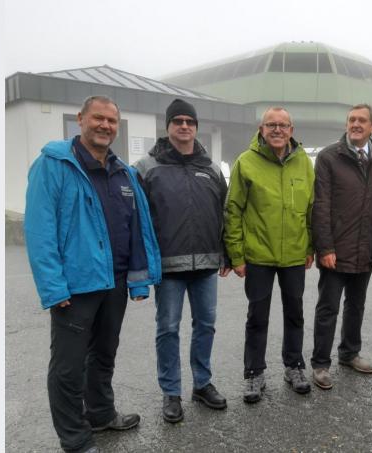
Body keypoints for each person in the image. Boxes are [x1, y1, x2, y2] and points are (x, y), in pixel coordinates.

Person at [24, 95, 161, 453]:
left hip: (115, 282)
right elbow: (39, 231)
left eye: (111, 121)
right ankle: (75, 439)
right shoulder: (54, 165)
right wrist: (53, 287)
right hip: (75, 286)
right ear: (80, 119)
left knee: (103, 355)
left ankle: (100, 414)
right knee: (68, 368)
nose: (105, 126)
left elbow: (137, 229)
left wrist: (139, 279)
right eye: (98, 118)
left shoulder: (123, 172)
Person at [133, 99, 230, 424]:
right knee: (168, 329)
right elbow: (138, 221)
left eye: (190, 121)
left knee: (206, 325)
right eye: (178, 121)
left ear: (196, 127)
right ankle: (171, 392)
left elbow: (224, 214)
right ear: (168, 126)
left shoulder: (211, 168)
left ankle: (202, 384)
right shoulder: (146, 168)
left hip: (206, 264)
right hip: (168, 268)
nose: (184, 126)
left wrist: (226, 254)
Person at [224, 106, 315, 403]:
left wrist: (310, 247)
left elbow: (311, 208)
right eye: (271, 125)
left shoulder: (303, 162)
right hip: (258, 255)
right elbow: (233, 210)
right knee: (257, 317)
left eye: (283, 125)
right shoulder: (246, 162)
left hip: (294, 254)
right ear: (261, 130)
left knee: (295, 314)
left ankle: (294, 366)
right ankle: (254, 373)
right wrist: (236, 255)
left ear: (291, 130)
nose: (277, 130)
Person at [310, 104, 372, 389]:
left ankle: (349, 353)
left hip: (365, 248)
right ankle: (321, 363)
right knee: (328, 307)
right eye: (351, 119)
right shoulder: (329, 157)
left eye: (362, 120)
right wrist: (325, 247)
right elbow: (321, 205)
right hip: (336, 248)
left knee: (356, 305)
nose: (356, 124)